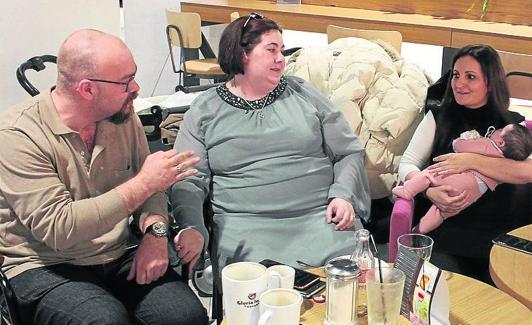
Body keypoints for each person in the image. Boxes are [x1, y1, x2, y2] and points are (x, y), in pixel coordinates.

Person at [0, 29, 208, 325]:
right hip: (44, 262)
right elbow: (60, 228)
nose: (136, 87)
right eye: (125, 82)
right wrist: (145, 182)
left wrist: (155, 233)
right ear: (87, 89)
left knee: (184, 315)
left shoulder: (121, 116)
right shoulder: (17, 136)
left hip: (115, 251)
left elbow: (152, 191)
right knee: (103, 320)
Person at [170, 13, 371, 275]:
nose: (281, 58)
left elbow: (349, 152)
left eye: (282, 50)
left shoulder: (303, 93)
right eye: (271, 50)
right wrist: (193, 227)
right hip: (245, 227)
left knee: (350, 288)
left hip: (320, 219)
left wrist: (343, 196)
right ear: (243, 54)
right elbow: (187, 179)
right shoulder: (205, 109)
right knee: (259, 295)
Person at [398, 44, 532, 282]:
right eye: (456, 75)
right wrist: (430, 191)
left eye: (471, 77)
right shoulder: (438, 117)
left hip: (500, 231)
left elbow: (527, 172)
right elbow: (407, 164)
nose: (459, 84)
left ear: (490, 83)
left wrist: (470, 160)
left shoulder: (512, 125)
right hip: (449, 226)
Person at [394, 123, 532, 233]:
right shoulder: (511, 157)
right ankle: (419, 231)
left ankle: (408, 190)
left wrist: (467, 141)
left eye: (500, 130)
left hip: (459, 183)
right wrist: (429, 192)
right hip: (471, 194)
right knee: (442, 213)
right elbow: (409, 162)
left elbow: (459, 146)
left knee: (429, 174)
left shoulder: (487, 143)